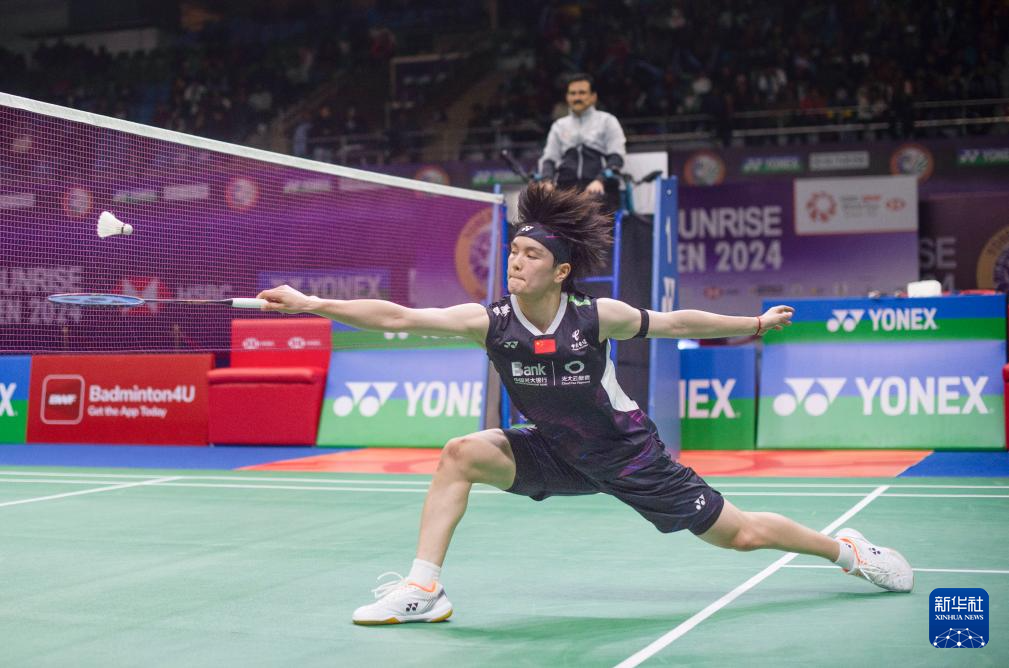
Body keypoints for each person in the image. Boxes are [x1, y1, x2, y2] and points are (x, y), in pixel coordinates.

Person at [257, 184, 914, 626]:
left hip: (627, 456)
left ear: (561, 270)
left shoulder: (596, 316)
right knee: (460, 453)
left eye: (531, 255)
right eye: (513, 251)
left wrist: (753, 322)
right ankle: (423, 588)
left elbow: (676, 323)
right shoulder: (490, 322)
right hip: (554, 451)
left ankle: (844, 551)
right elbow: (398, 314)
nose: (515, 262)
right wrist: (313, 304)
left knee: (738, 536)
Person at [538, 73, 626, 213]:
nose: (577, 97)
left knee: (590, 204)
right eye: (573, 93)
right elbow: (549, 159)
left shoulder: (608, 121)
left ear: (593, 97)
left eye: (582, 93)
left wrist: (600, 180)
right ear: (567, 97)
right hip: (566, 190)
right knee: (538, 202)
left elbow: (617, 158)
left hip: (600, 189)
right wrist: (547, 181)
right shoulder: (559, 126)